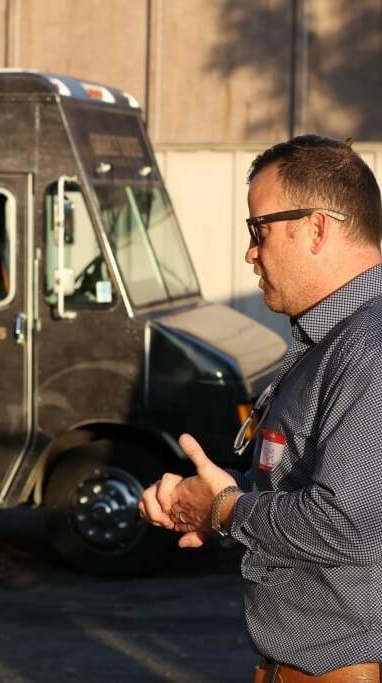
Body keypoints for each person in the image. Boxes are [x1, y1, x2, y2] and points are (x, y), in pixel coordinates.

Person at [140, 135, 382, 682]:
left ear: (317, 227)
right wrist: (205, 500)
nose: (251, 251)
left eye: (260, 229)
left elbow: (346, 523)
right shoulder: (335, 338)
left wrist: (224, 509)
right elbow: (311, 496)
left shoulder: (369, 345)